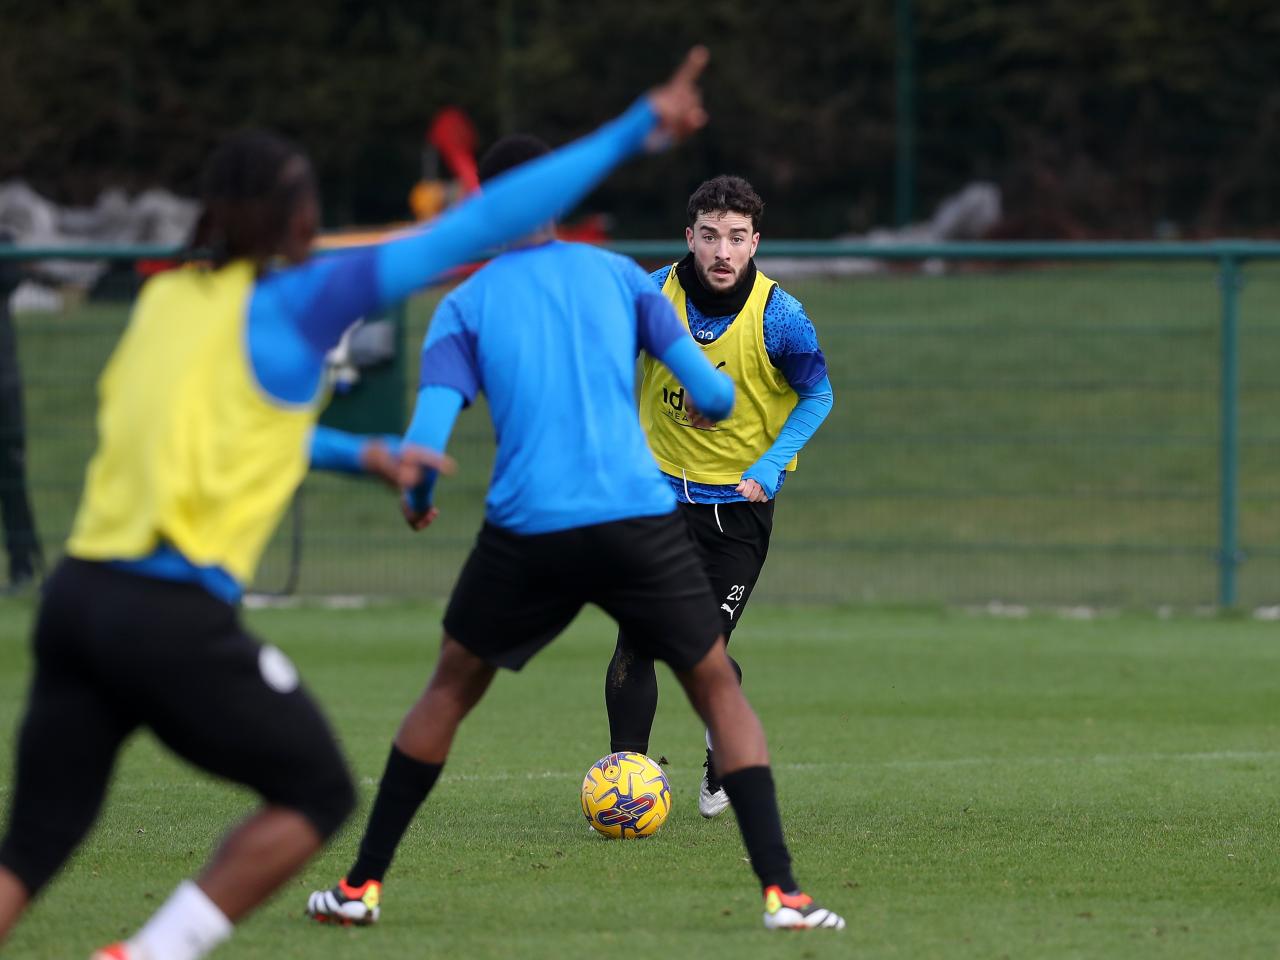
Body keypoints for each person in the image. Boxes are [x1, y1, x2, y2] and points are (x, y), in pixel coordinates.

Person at [0, 48, 713, 960]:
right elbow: (478, 226)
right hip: (166, 615)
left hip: (75, 602)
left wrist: (360, 453)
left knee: (32, 844)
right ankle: (147, 954)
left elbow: (241, 432)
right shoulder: (306, 298)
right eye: (307, 200)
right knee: (316, 795)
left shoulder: (165, 302)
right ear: (290, 218)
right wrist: (633, 127)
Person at [305, 135, 845, 933]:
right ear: (558, 201)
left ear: (480, 205)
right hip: (638, 515)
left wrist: (416, 493)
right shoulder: (621, 279)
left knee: (448, 691)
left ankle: (359, 890)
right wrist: (710, 401)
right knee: (717, 684)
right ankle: (785, 896)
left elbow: (425, 445)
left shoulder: (465, 305)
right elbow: (713, 394)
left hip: (530, 525)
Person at [604, 175, 835, 818]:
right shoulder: (651, 297)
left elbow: (818, 395)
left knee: (700, 649)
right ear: (690, 238)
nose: (722, 251)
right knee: (637, 637)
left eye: (736, 237)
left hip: (736, 508)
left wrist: (768, 464)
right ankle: (626, 781)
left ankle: (719, 747)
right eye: (710, 236)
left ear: (755, 241)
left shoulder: (780, 316)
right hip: (654, 499)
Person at [0, 230, 43, 595]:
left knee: (10, 470)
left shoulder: (5, 239)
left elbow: (11, 277)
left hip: (2, 379)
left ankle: (24, 564)